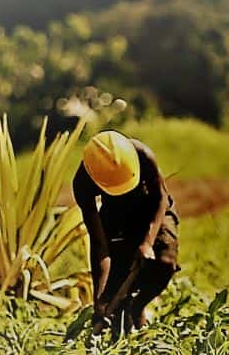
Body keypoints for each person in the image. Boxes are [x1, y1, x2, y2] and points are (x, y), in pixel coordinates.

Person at [72, 130, 179, 335]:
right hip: (116, 215)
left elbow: (160, 197)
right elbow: (100, 245)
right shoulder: (83, 184)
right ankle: (124, 316)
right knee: (115, 289)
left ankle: (138, 307)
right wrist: (100, 297)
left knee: (165, 261)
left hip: (153, 207)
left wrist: (147, 242)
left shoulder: (142, 155)